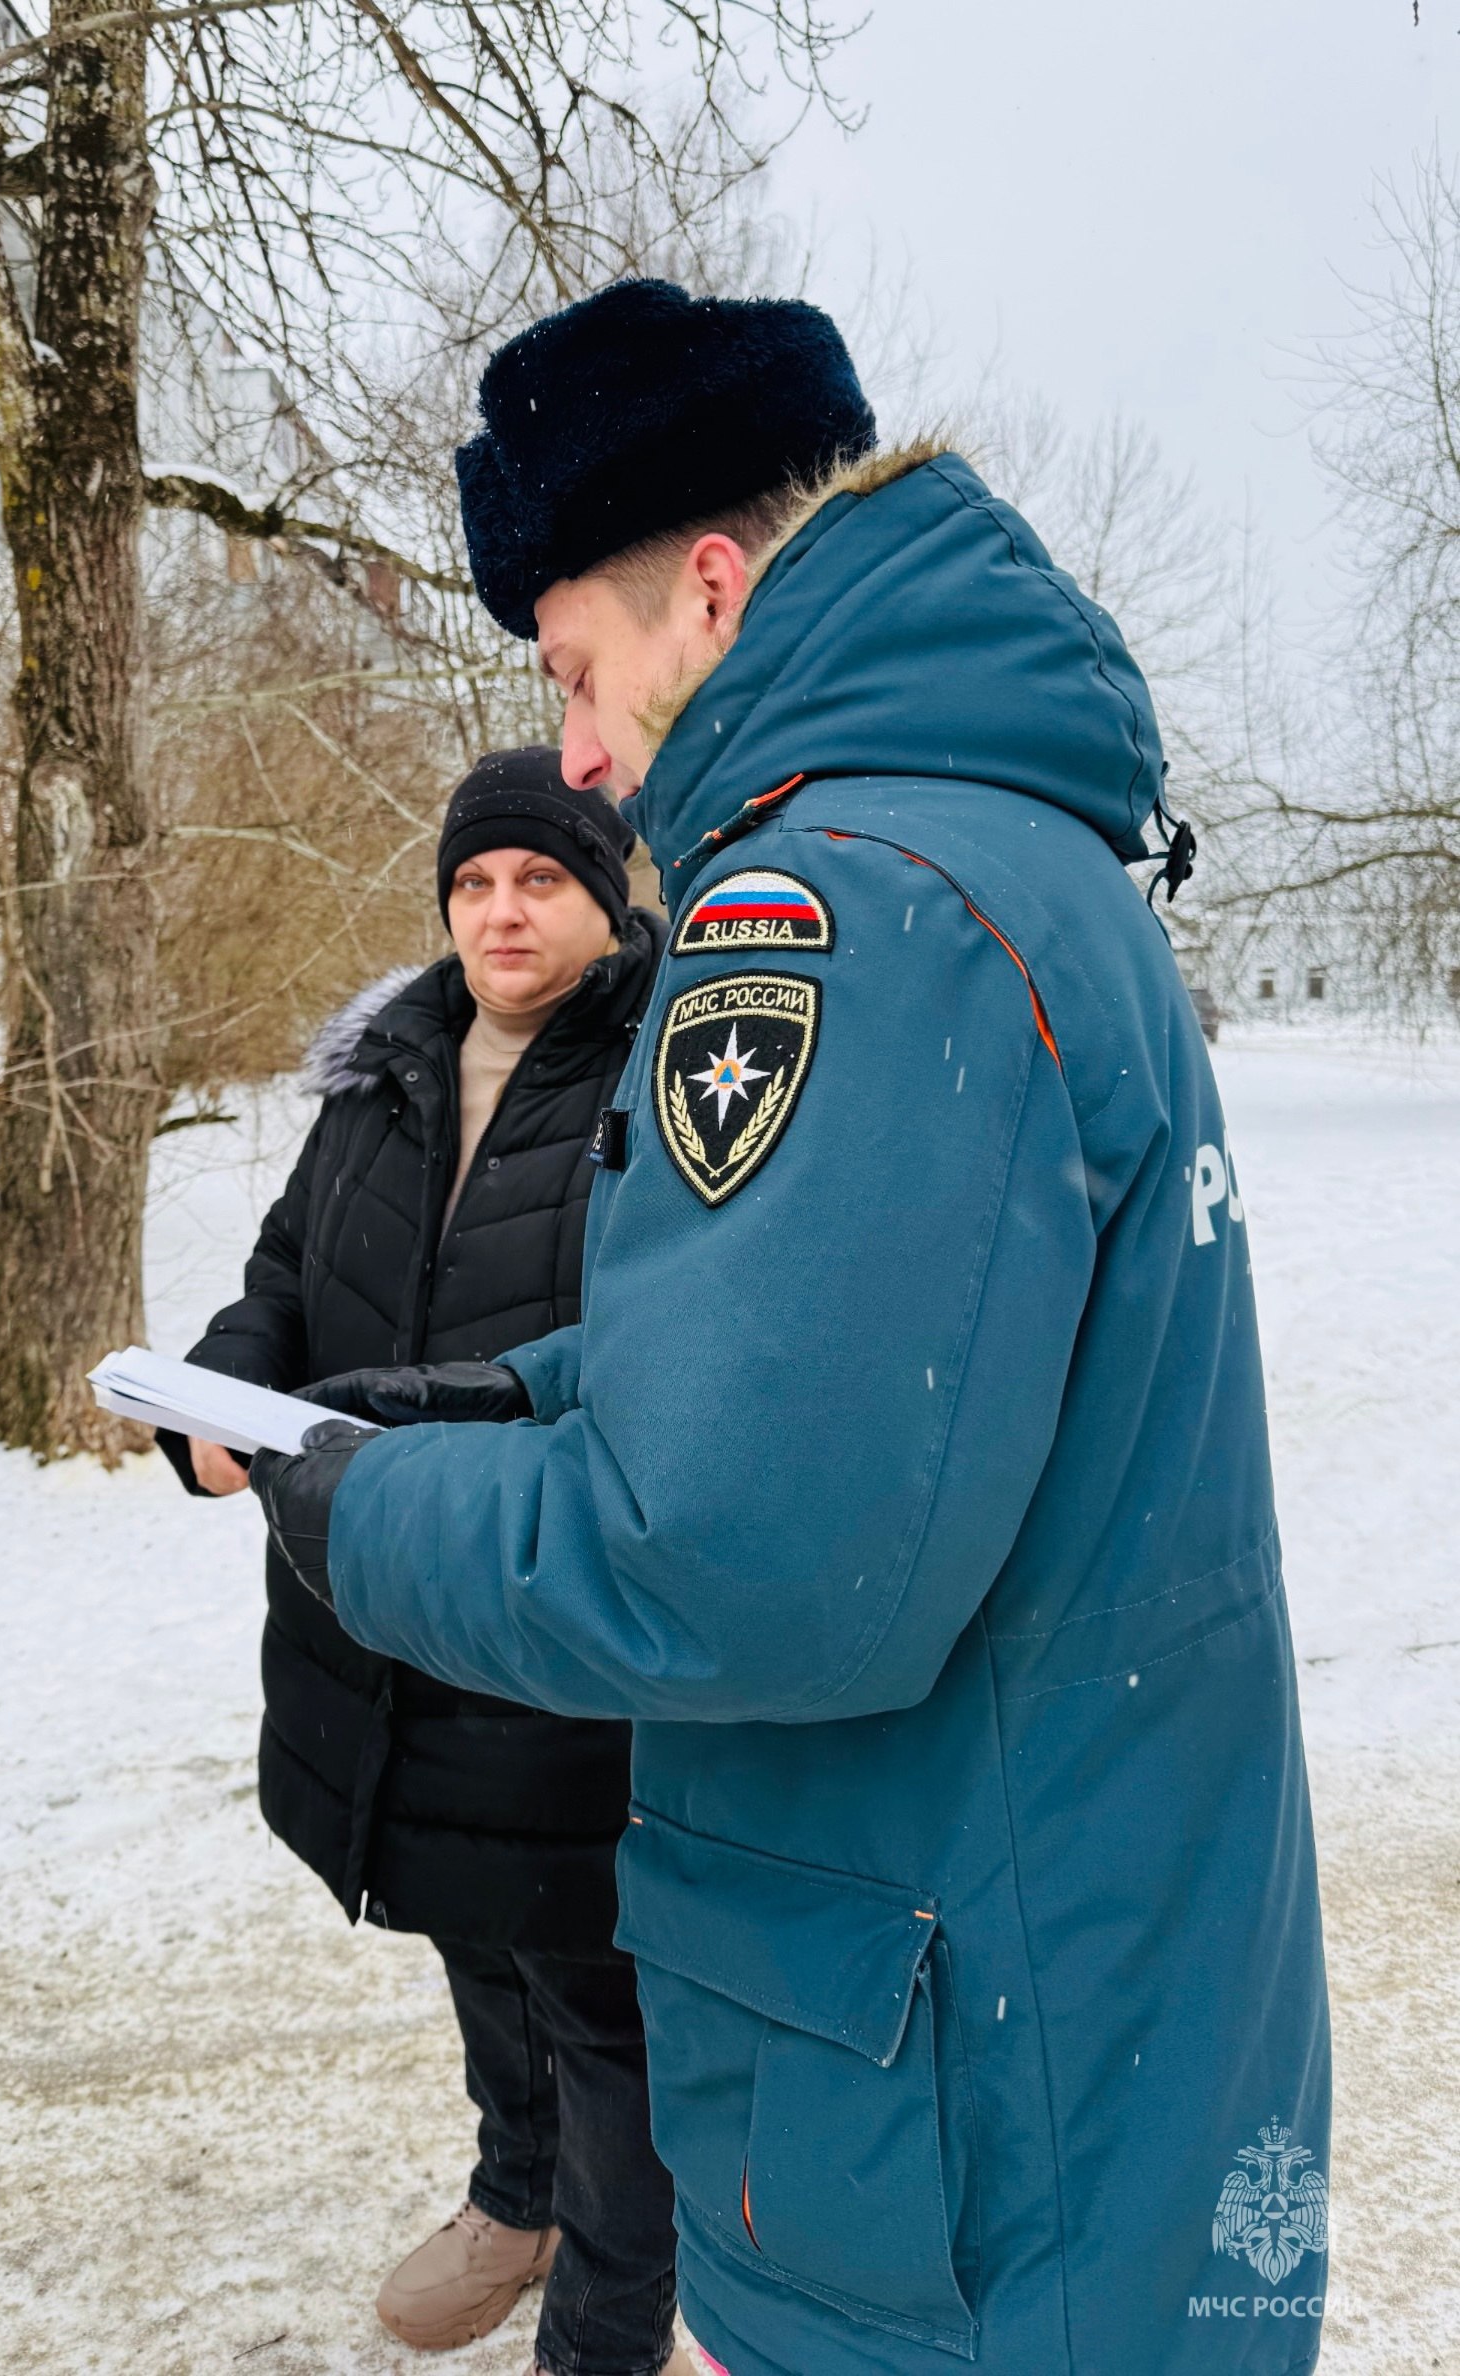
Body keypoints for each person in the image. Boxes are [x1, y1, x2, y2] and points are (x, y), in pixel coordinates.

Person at [251, 280, 1332, 2376]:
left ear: (712, 591)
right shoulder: (1013, 856)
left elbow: (740, 1561)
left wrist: (357, 1510)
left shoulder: (835, 909)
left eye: (576, 671)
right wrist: (504, 1396)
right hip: (1087, 1988)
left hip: (959, 2120)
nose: (576, 752)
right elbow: (881, 1361)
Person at [158, 749, 683, 2376]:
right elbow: (285, 1274)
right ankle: (516, 2200)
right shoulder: (385, 1070)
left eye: (541, 880)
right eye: (474, 883)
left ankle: (610, 2322)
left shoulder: (666, 1071)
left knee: (595, 1989)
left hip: (543, 1601)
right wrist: (218, 1391)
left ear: (606, 897)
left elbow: (669, 1350)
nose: (502, 912)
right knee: (469, 1921)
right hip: (374, 1591)